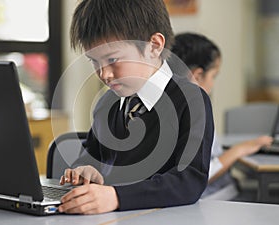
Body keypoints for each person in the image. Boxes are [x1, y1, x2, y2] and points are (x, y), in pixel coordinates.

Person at [58, 0, 214, 215]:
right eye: (94, 62)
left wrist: (116, 197)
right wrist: (86, 170)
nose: (104, 74)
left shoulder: (191, 100)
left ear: (154, 46)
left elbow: (188, 181)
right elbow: (91, 155)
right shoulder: (107, 102)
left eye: (113, 59)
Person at [171, 32, 273, 200]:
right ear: (197, 76)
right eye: (213, 76)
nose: (213, 83)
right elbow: (195, 176)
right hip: (216, 198)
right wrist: (238, 151)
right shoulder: (189, 111)